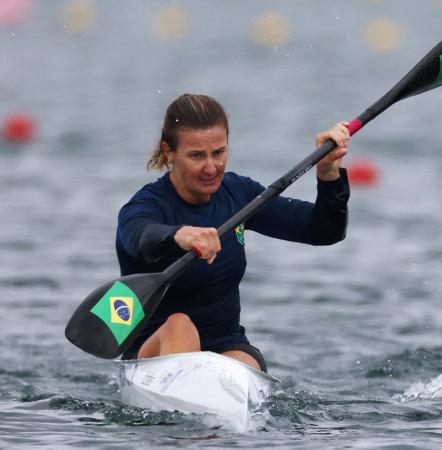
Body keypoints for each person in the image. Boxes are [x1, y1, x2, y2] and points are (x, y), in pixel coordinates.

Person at [116, 93, 350, 372]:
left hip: (225, 345)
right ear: (169, 151)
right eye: (196, 156)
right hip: (153, 353)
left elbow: (324, 231)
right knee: (180, 325)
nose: (211, 167)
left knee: (246, 364)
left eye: (219, 152)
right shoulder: (146, 206)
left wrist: (328, 176)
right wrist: (180, 235)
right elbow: (139, 237)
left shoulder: (238, 195)